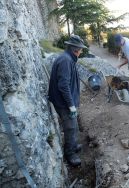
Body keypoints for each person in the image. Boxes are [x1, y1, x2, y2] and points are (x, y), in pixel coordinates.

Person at [48, 35, 87, 166]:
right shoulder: (65, 61)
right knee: (70, 127)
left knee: (74, 124)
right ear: (76, 49)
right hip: (63, 103)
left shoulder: (68, 58)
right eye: (81, 49)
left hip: (65, 101)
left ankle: (74, 144)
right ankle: (70, 153)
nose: (81, 52)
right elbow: (63, 85)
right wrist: (71, 105)